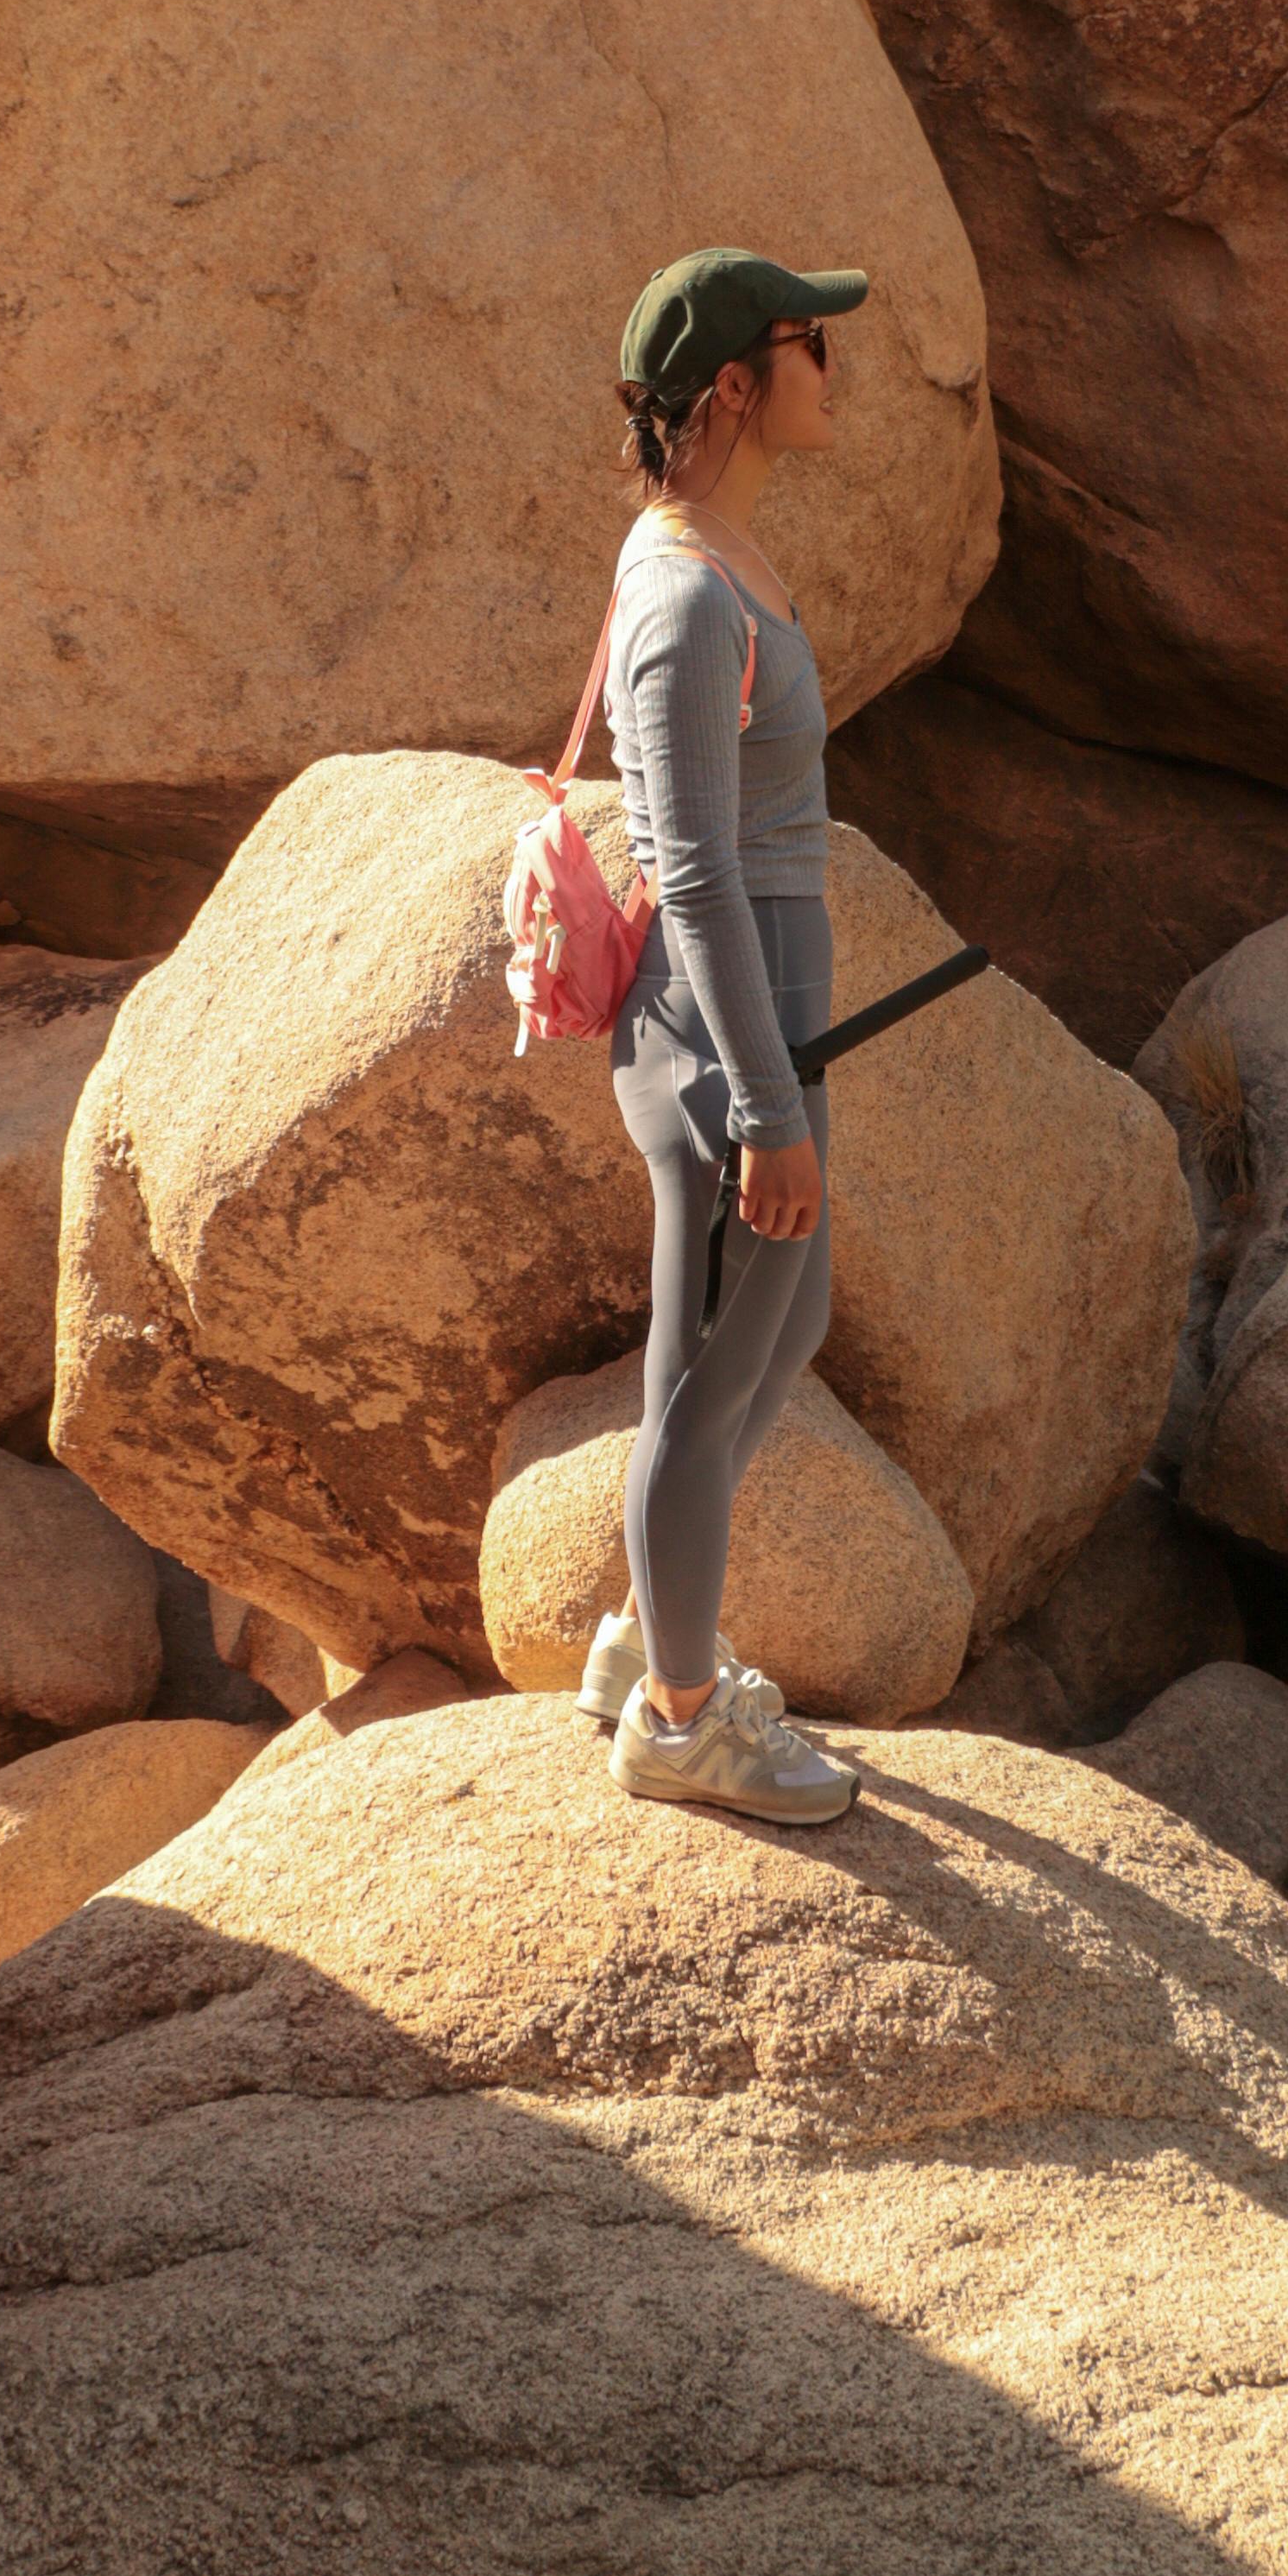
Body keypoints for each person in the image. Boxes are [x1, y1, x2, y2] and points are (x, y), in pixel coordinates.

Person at [585, 243, 870, 1822]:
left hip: (766, 995)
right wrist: (765, 1107)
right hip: (728, 1014)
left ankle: (647, 1634)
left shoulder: (718, 559)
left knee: (789, 1314)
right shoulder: (690, 598)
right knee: (701, 1381)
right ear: (741, 387)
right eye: (811, 342)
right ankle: (682, 1718)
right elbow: (688, 864)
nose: (840, 363)